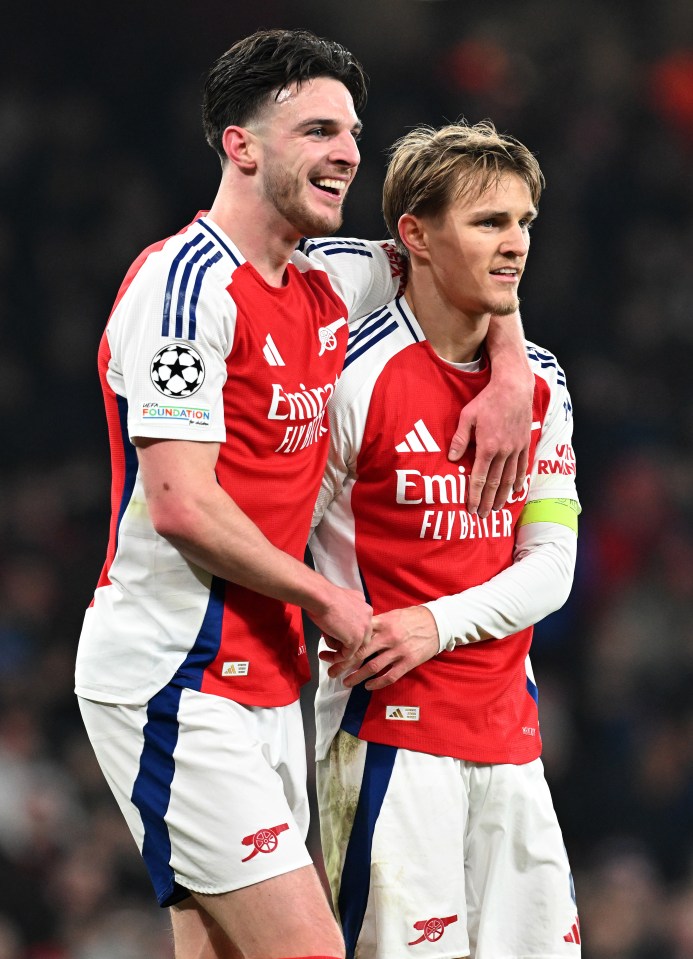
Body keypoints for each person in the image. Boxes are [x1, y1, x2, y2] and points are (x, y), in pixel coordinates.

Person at [75, 29, 534, 959]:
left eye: (353, 132)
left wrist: (512, 365)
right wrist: (330, 596)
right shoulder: (182, 288)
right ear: (240, 144)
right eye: (319, 129)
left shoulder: (329, 278)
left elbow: (461, 257)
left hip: (268, 681)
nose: (349, 153)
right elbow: (182, 505)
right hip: (173, 670)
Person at [310, 120, 582, 959]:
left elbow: (552, 565)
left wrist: (435, 622)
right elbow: (285, 543)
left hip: (509, 737)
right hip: (382, 735)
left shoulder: (539, 378)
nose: (514, 244)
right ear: (414, 236)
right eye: (488, 222)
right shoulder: (344, 374)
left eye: (523, 222)